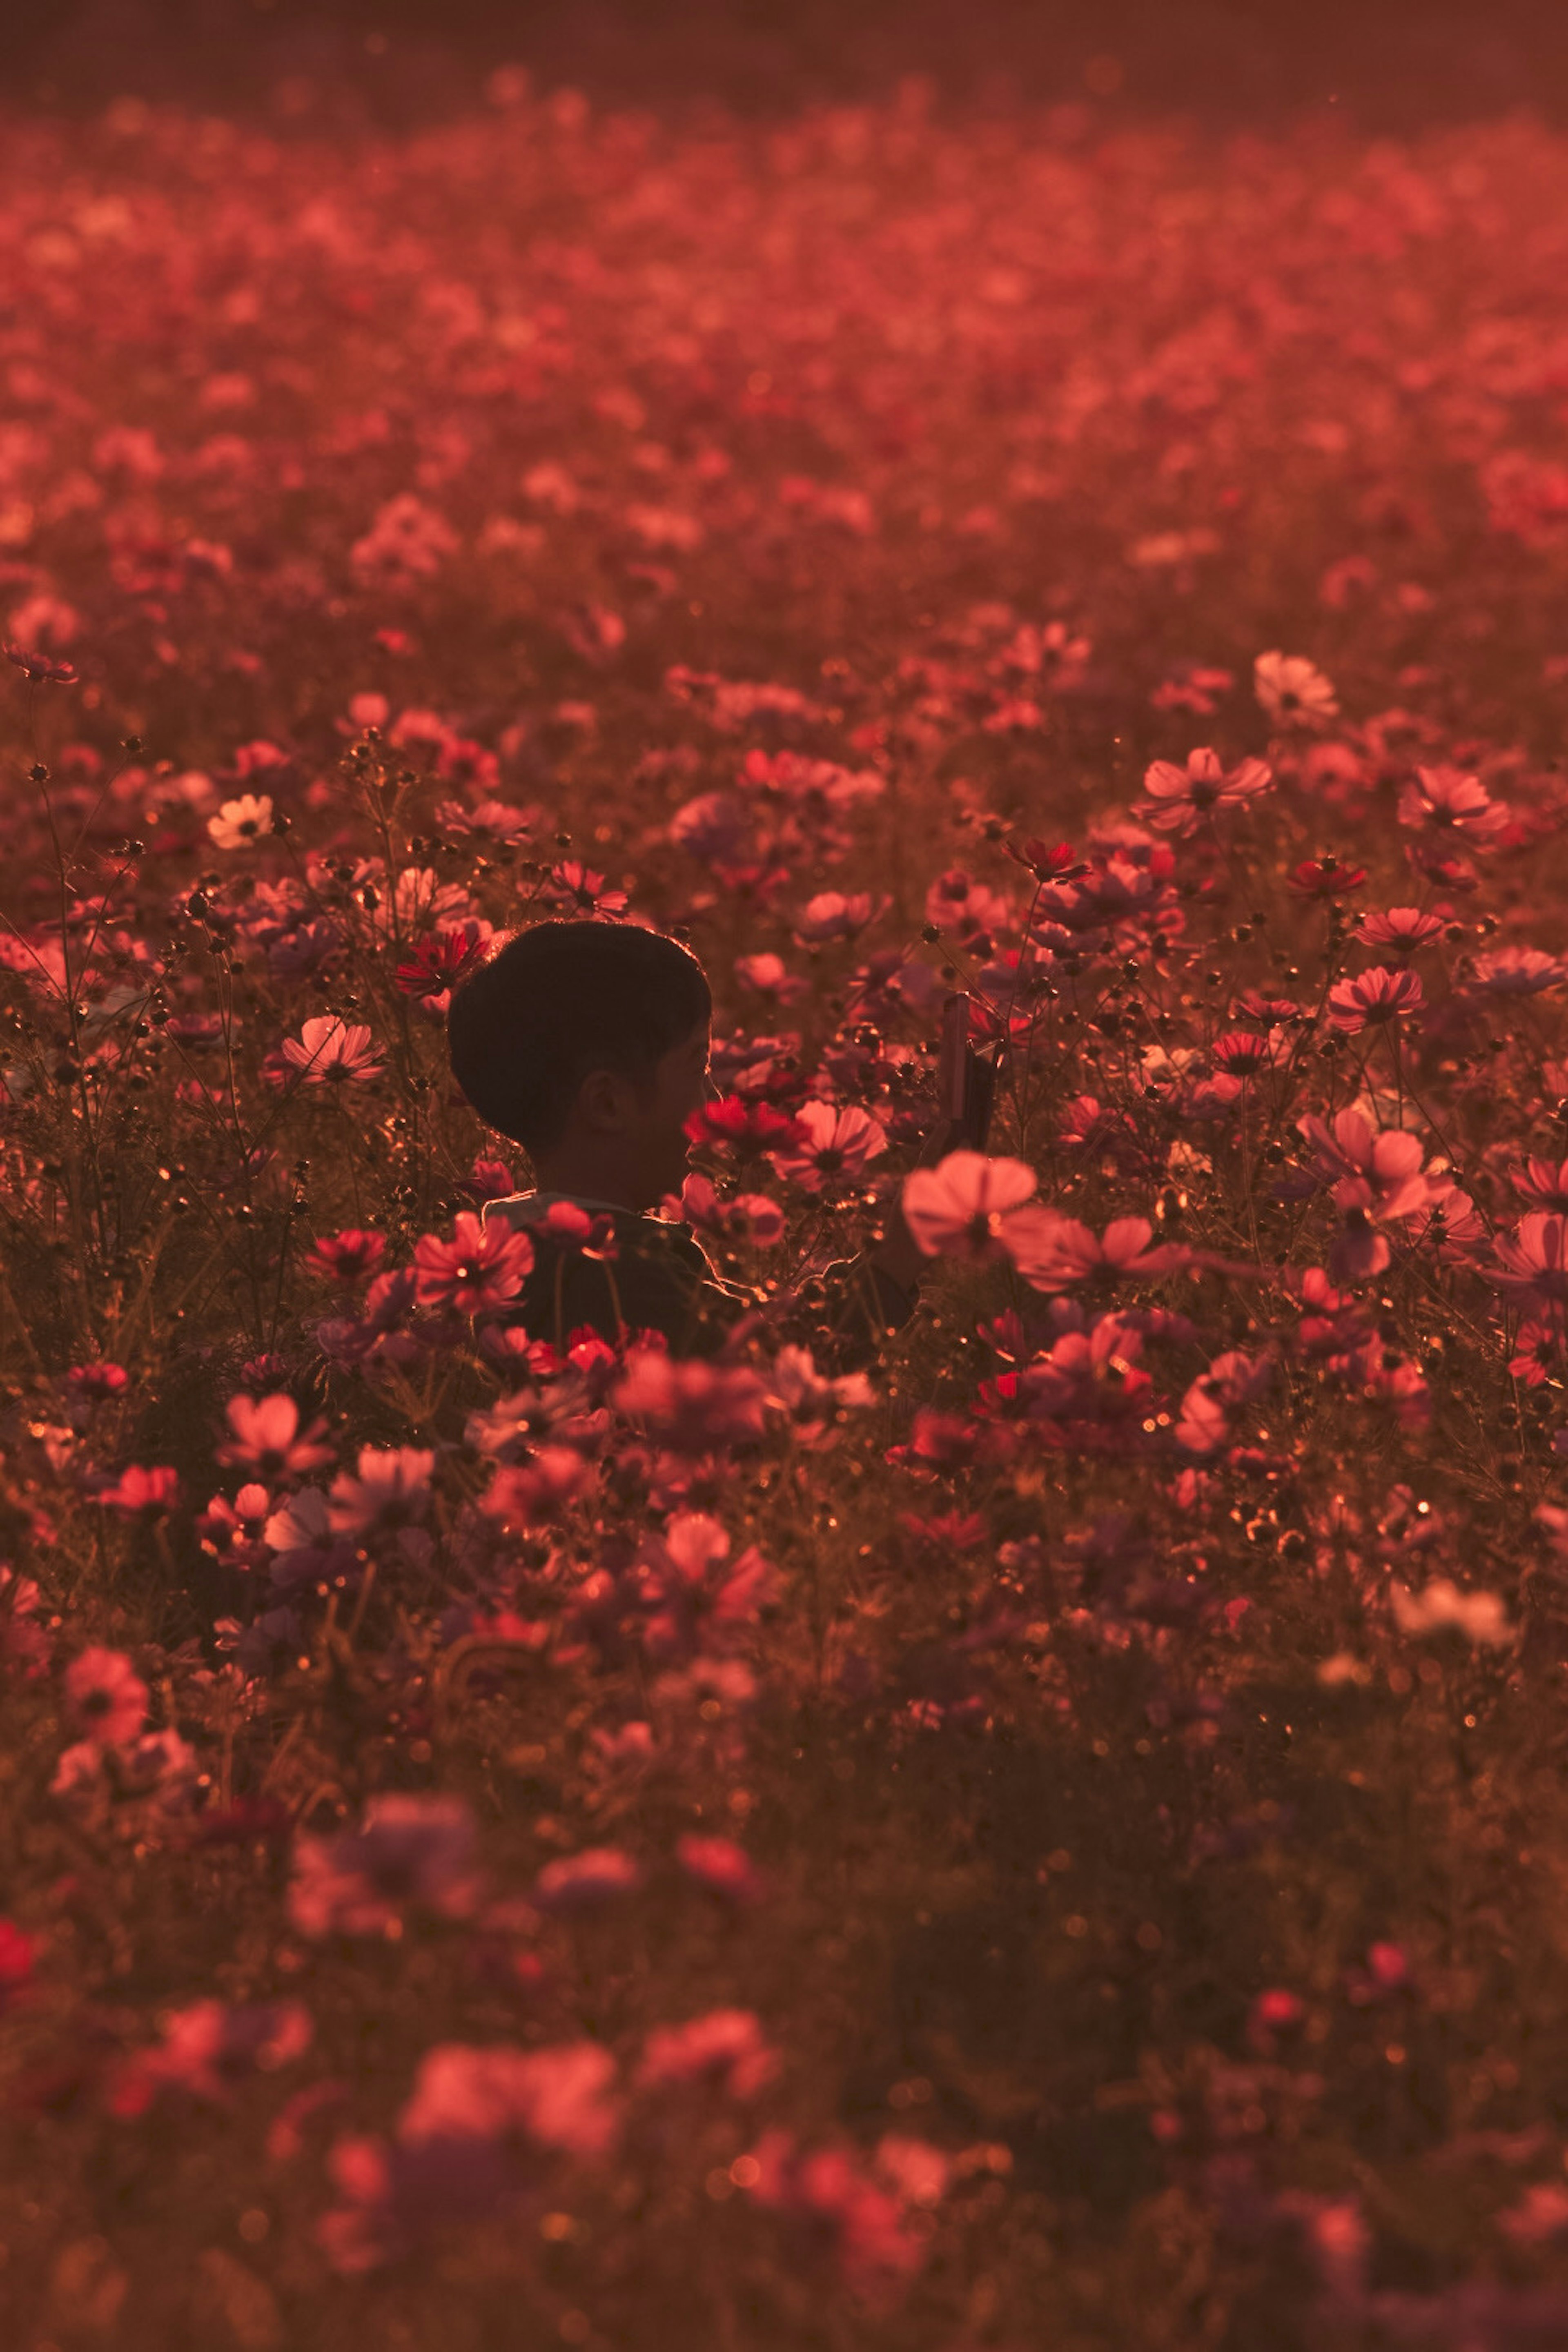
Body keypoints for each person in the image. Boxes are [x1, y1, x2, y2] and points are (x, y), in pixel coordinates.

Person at [445, 918, 947, 1368]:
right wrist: (905, 1246)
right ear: (608, 1105)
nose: (716, 1097)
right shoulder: (601, 1278)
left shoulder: (543, 1257)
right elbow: (783, 1365)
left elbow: (767, 1332)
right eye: (696, 1067)